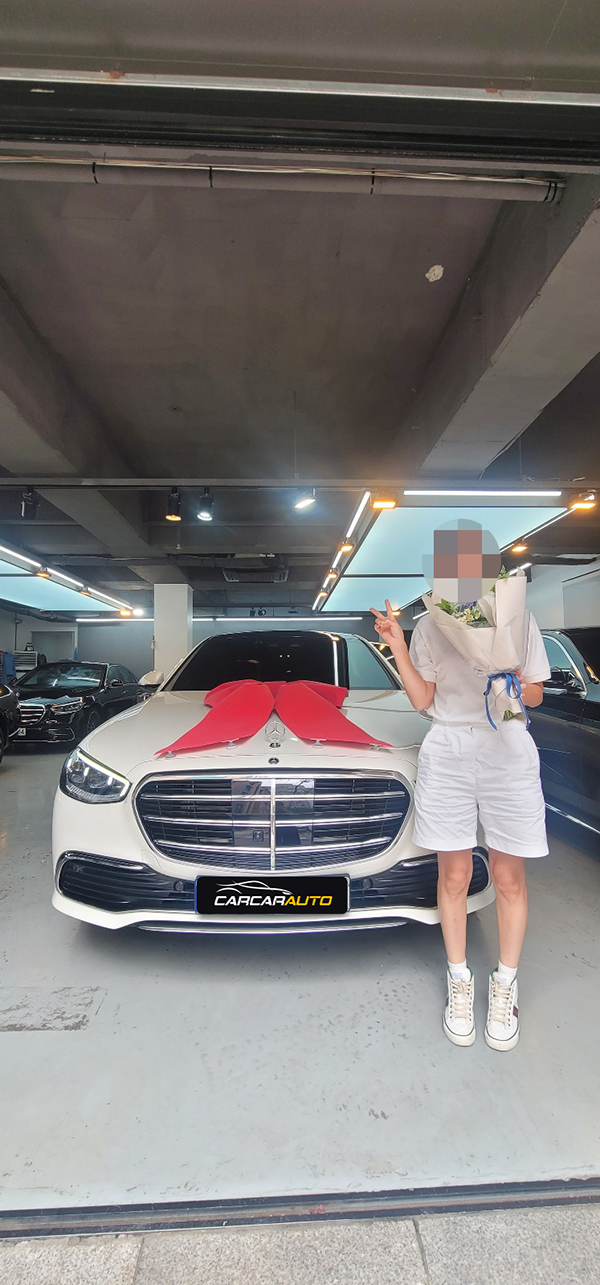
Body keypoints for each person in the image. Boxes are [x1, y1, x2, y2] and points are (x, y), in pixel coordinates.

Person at [370, 597, 550, 1052]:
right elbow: (423, 700)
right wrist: (398, 646)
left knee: (508, 877)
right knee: (454, 874)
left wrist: (512, 677)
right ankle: (459, 979)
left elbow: (535, 695)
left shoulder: (518, 617)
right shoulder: (430, 625)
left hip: (507, 744)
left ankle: (505, 984)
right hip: (448, 746)